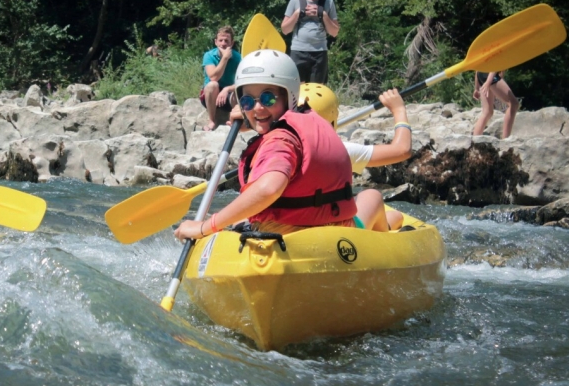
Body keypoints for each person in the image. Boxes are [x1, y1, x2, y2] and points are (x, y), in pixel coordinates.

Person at [175, 50, 358, 241]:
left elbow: (269, 188)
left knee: (225, 225)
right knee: (240, 221)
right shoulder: (308, 119)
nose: (258, 108)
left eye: (267, 98)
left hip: (291, 239)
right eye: (246, 101)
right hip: (339, 233)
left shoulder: (280, 142)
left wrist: (206, 227)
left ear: (289, 96)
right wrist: (253, 121)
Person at [298, 83, 411, 231]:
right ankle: (384, 233)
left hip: (287, 227)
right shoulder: (340, 150)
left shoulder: (273, 148)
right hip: (338, 232)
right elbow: (402, 150)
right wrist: (399, 110)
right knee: (373, 197)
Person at [281, 0, 340, 84]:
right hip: (298, 51)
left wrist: (322, 14)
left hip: (320, 52)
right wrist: (298, 13)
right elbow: (285, 29)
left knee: (317, 90)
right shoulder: (295, 0)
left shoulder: (328, 2)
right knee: (298, 89)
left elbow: (334, 32)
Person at [200, 26, 241, 131]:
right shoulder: (209, 55)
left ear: (231, 43)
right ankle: (212, 121)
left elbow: (242, 82)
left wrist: (227, 89)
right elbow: (214, 77)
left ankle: (234, 120)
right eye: (220, 40)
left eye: (226, 41)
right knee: (212, 85)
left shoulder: (238, 58)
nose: (223, 43)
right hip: (211, 96)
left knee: (239, 92)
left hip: (228, 96)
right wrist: (225, 58)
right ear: (216, 42)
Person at [472, 71, 520, 139]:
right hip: (490, 73)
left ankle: (475, 140)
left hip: (481, 74)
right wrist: (488, 82)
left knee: (487, 112)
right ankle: (506, 140)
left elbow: (478, 67)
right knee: (513, 104)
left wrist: (477, 87)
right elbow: (494, 65)